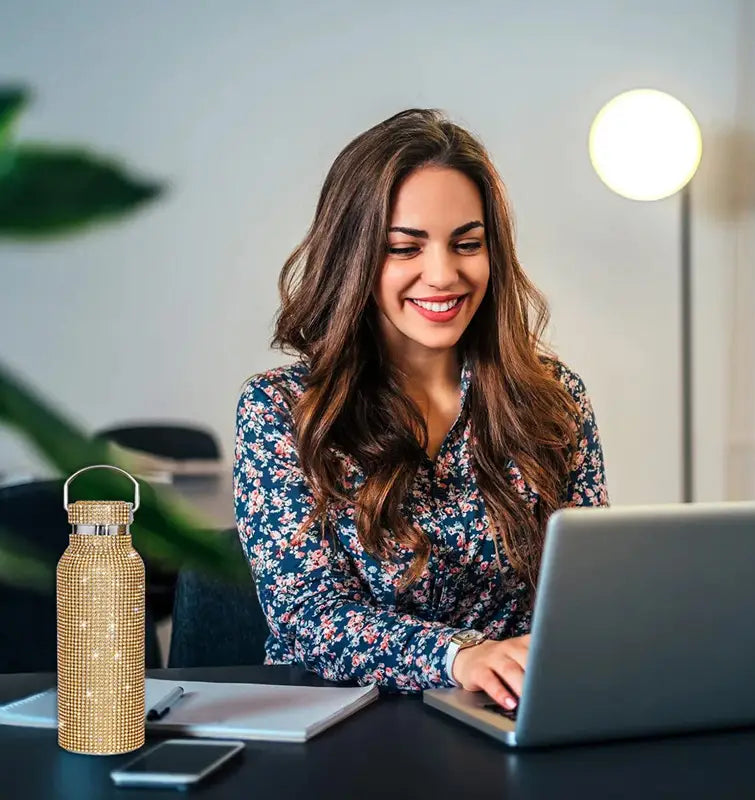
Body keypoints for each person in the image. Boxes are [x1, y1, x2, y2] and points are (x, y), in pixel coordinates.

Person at [233, 108, 608, 712]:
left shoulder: (554, 397)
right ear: (353, 259)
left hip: (513, 716)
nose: (444, 275)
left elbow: (587, 592)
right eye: (405, 248)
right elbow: (307, 619)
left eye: (467, 244)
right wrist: (459, 656)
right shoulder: (283, 408)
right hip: (344, 728)